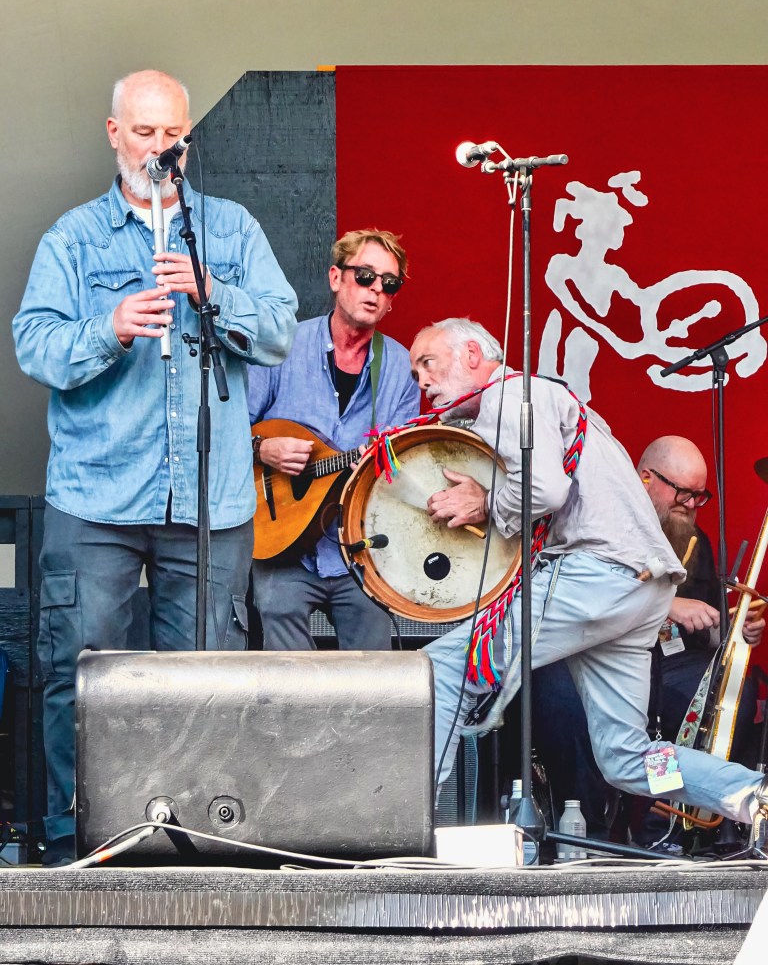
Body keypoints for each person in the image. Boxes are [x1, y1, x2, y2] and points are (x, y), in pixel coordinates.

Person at [13, 69, 298, 863]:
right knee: (82, 669)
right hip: (97, 494)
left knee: (203, 675)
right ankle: (83, 835)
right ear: (114, 135)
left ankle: (192, 837)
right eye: (143, 134)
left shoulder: (230, 230)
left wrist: (215, 293)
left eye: (172, 135)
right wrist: (107, 326)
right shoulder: (74, 238)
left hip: (208, 499)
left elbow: (280, 331)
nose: (160, 149)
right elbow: (34, 345)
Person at [408, 317, 768, 831]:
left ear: (471, 355)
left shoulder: (509, 396)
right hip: (640, 588)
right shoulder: (553, 400)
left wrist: (488, 503)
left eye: (429, 362)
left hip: (599, 574)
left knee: (441, 668)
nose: (422, 380)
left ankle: (410, 828)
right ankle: (749, 794)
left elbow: (544, 492)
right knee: (628, 758)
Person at [532, 435, 764, 846]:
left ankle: (680, 826)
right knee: (575, 711)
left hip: (662, 664)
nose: (691, 505)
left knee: (727, 691)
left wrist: (733, 633)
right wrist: (666, 603)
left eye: (699, 496)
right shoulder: (601, 519)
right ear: (644, 478)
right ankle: (585, 833)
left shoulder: (695, 541)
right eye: (683, 493)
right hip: (580, 652)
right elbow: (578, 598)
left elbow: (706, 626)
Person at [247, 228, 421, 651]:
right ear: (335, 278)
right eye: (365, 276)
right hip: (284, 545)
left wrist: (379, 463)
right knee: (285, 660)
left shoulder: (399, 366)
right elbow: (227, 428)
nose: (376, 289)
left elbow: (399, 461)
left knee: (374, 676)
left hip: (361, 551)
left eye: (388, 283)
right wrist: (262, 448)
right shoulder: (283, 347)